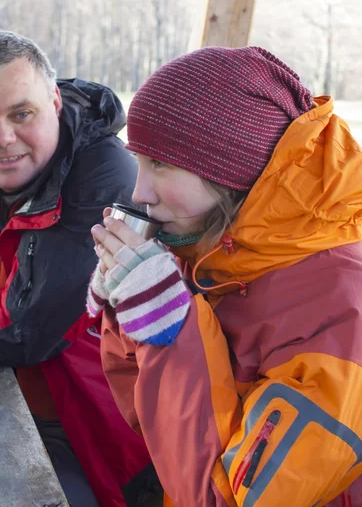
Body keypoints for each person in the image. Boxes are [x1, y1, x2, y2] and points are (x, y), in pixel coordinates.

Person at [88, 46, 362, 506]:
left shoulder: (341, 312)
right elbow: (151, 425)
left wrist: (167, 328)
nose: (139, 192)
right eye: (138, 161)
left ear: (233, 168)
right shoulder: (212, 254)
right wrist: (127, 305)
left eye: (161, 164)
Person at [0, 30, 161, 507]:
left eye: (20, 114)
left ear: (54, 101)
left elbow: (23, 330)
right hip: (16, 411)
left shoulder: (105, 179)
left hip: (122, 440)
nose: (1, 139)